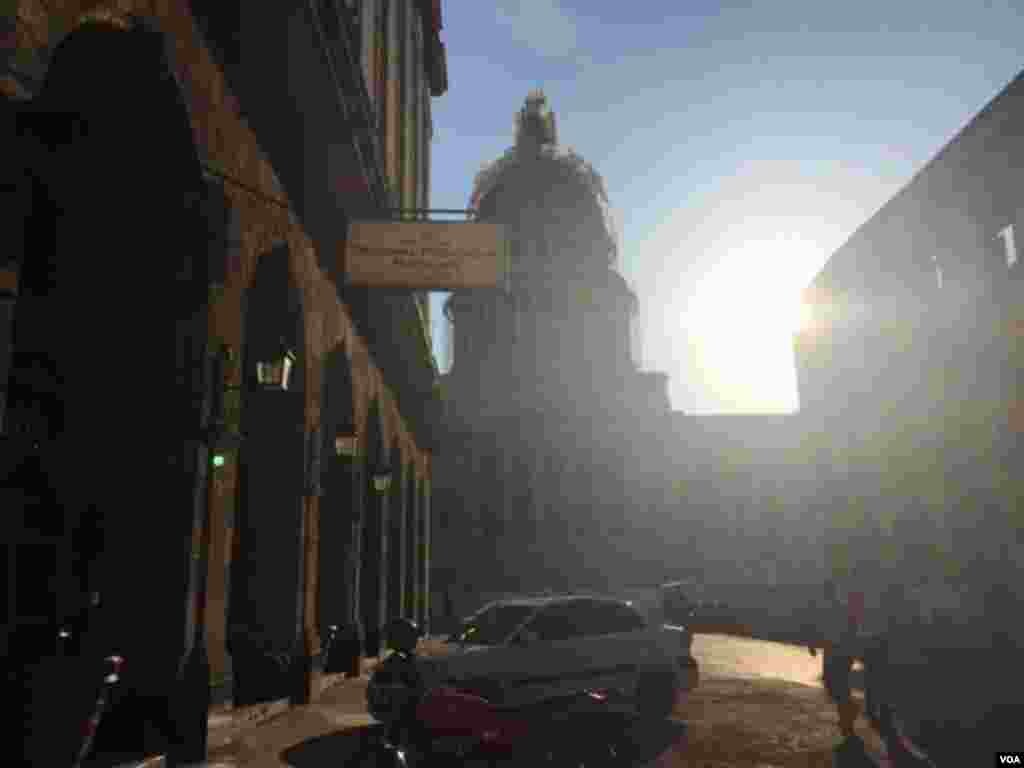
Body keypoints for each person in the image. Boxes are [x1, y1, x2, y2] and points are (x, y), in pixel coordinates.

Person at [808, 577, 860, 739]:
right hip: (834, 652)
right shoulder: (831, 608)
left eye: (825, 591)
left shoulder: (838, 608)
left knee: (837, 686)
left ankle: (848, 716)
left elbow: (850, 627)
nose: (823, 595)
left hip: (839, 653)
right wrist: (812, 644)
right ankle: (847, 715)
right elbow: (818, 627)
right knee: (834, 686)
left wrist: (813, 643)